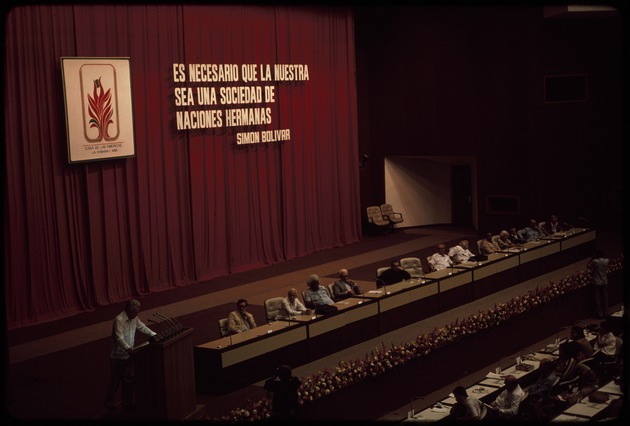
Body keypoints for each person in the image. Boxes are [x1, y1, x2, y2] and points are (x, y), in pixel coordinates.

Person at [103, 299, 157, 411]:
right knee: (114, 381)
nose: (136, 314)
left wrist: (155, 335)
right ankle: (108, 402)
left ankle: (127, 403)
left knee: (128, 381)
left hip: (129, 355)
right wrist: (127, 348)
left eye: (137, 312)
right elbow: (119, 338)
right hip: (117, 357)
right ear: (127, 310)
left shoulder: (134, 318)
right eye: (134, 312)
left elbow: (142, 327)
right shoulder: (119, 320)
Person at [587, 249, 610, 318]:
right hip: (604, 281)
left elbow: (588, 266)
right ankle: (606, 313)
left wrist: (592, 258)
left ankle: (599, 314)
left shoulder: (595, 261)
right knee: (605, 298)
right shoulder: (607, 261)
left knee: (597, 299)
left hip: (596, 281)